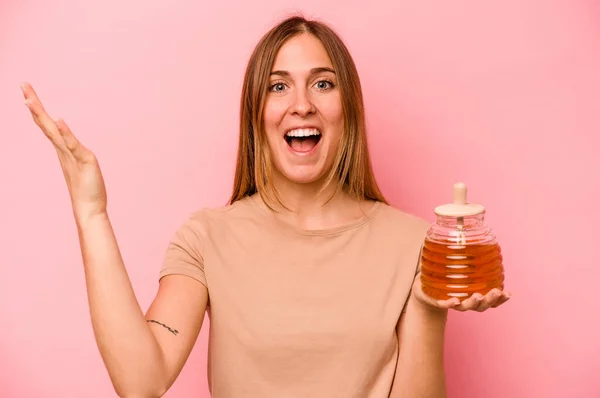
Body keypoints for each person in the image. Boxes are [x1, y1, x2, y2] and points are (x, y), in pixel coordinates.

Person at [22, 14, 510, 398]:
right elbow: (141, 380)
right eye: (279, 86)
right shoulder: (208, 237)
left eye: (323, 83)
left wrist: (429, 307)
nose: (301, 104)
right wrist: (92, 215)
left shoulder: (412, 242)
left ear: (349, 108)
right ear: (257, 113)